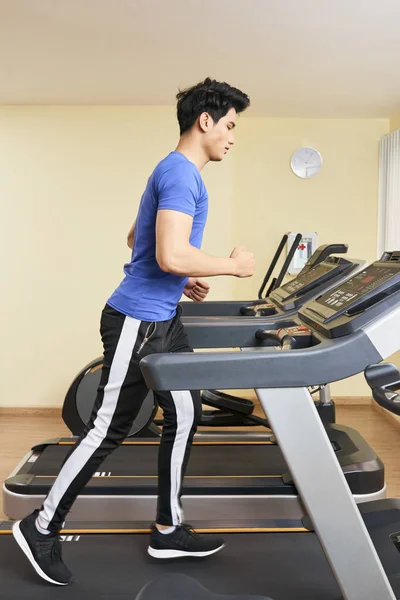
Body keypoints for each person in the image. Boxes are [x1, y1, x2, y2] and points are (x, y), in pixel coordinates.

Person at [13, 77, 254, 586]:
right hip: (138, 319)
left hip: (163, 316)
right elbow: (166, 251)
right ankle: (41, 526)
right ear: (205, 121)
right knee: (108, 427)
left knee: (185, 412)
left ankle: (168, 527)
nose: (233, 136)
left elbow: (137, 239)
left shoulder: (174, 173)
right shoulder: (182, 174)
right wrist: (228, 265)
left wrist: (182, 273)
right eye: (230, 125)